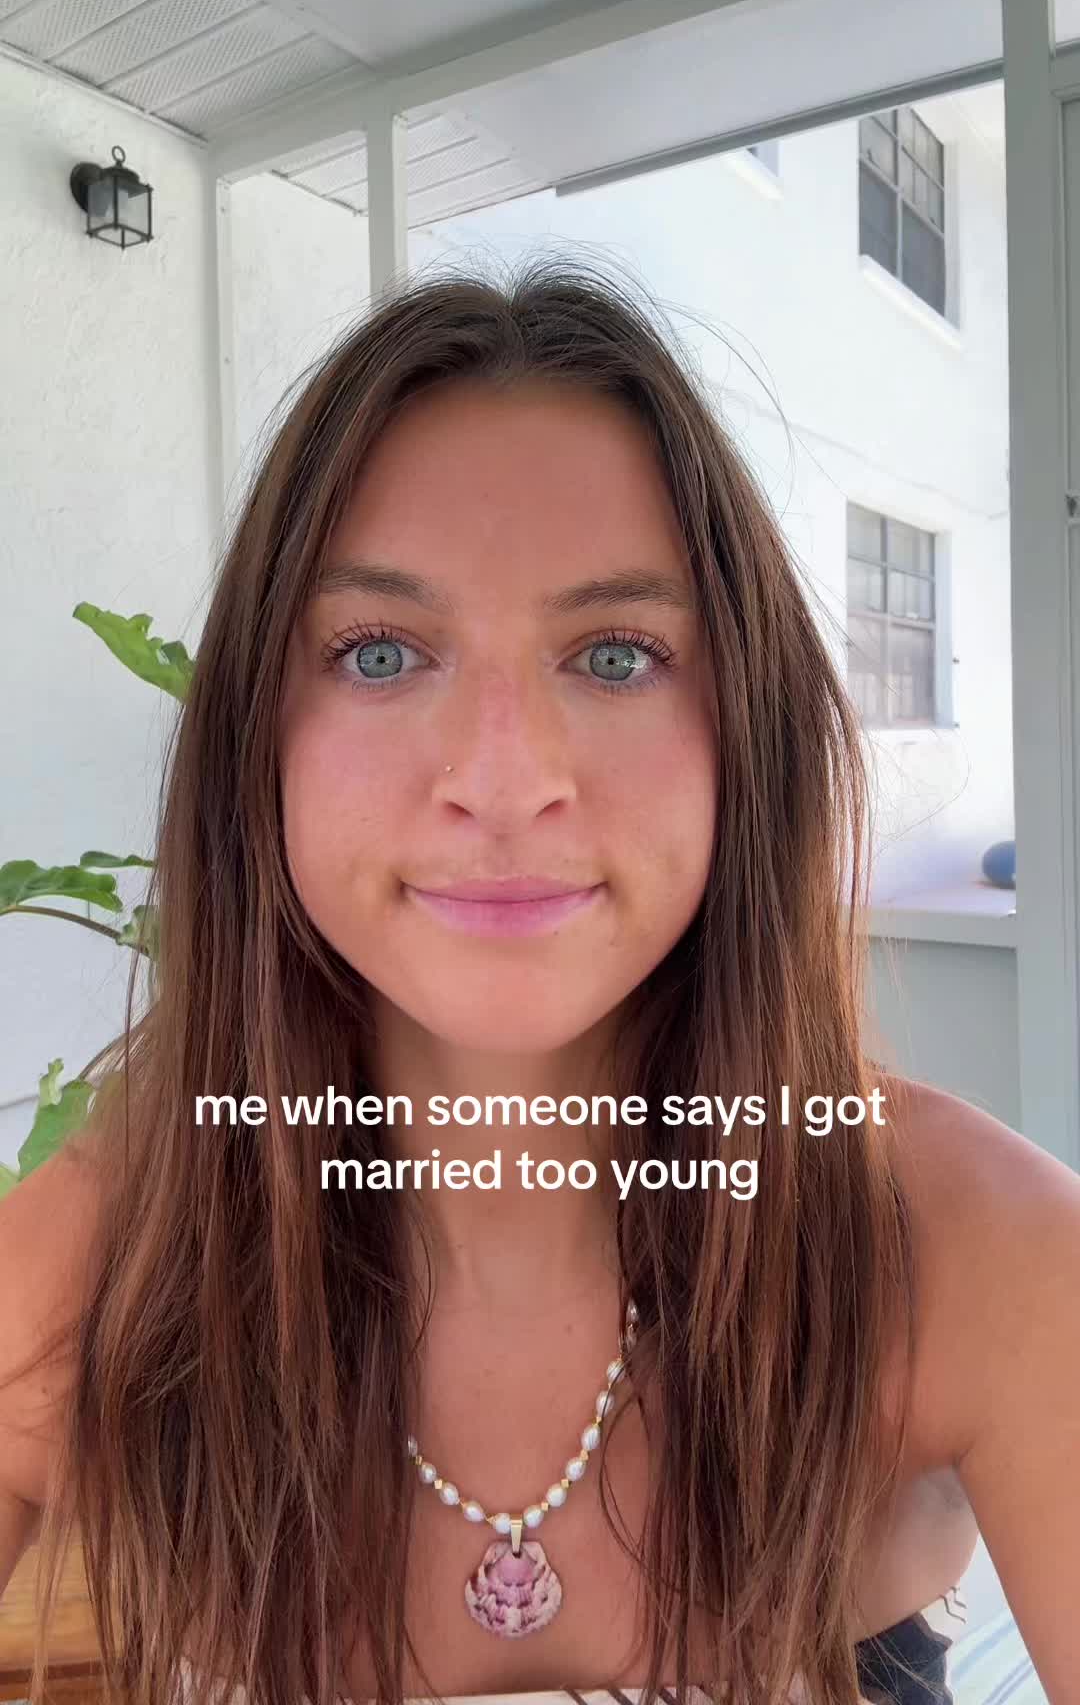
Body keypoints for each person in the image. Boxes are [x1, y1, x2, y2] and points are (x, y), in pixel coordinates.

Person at [1, 259, 1077, 1705]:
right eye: (380, 653)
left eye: (616, 655)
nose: (504, 783)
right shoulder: (94, 1264)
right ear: (260, 734)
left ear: (746, 729)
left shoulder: (979, 1253)